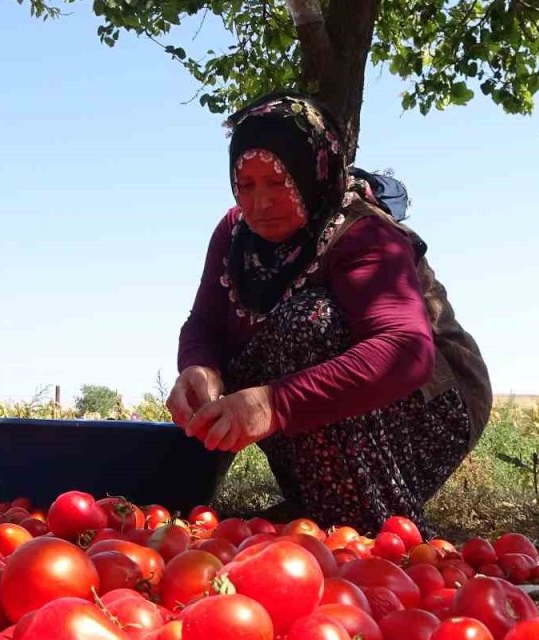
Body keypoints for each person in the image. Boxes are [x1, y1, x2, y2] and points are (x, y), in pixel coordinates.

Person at [167, 90, 493, 534]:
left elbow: (406, 351)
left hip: (431, 410)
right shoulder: (234, 234)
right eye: (246, 185)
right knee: (262, 341)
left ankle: (373, 525)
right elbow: (204, 322)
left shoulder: (366, 234)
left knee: (309, 321)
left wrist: (273, 402)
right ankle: (320, 513)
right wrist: (199, 368)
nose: (259, 203)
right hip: (329, 415)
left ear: (312, 172)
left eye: (278, 182)